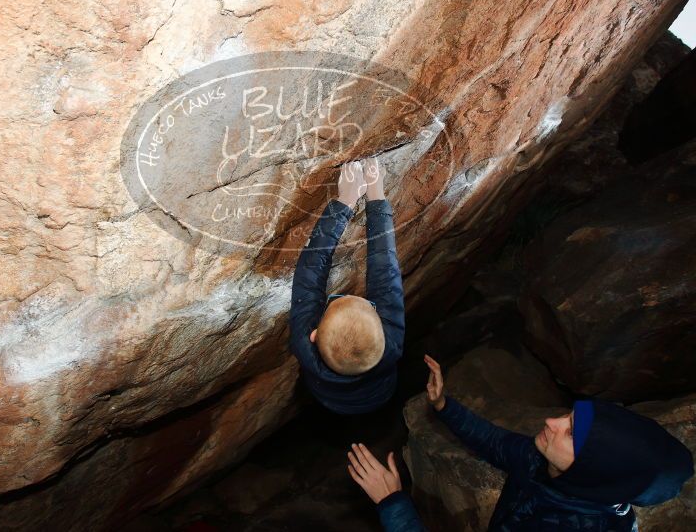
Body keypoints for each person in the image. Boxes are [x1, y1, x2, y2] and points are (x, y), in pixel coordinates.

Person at [347, 355, 694, 531]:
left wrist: (393, 504)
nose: (552, 423)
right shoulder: (549, 465)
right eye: (569, 416)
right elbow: (496, 442)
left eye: (570, 432)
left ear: (593, 470)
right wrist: (443, 406)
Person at [289, 156, 405, 415]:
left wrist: (345, 202)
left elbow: (310, 271)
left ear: (314, 335)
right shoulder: (392, 343)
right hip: (381, 391)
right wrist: (376, 197)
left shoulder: (302, 342)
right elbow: (385, 274)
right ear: (382, 327)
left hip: (329, 397)